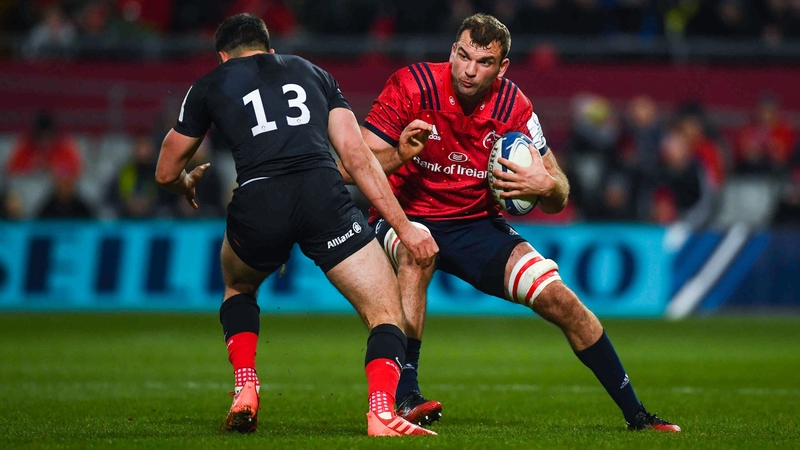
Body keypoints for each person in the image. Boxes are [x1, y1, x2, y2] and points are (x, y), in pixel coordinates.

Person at [340, 13, 681, 432]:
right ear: (452, 50)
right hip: (404, 216)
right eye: (463, 55)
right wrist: (400, 156)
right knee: (418, 251)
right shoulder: (413, 85)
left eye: (483, 62)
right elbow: (350, 167)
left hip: (475, 225)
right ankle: (407, 394)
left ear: (501, 68)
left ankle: (637, 415)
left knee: (563, 301)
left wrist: (545, 184)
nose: (468, 69)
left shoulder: (514, 106)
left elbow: (557, 194)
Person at [155, 13, 439, 437]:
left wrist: (184, 182)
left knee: (239, 286)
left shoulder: (209, 85)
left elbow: (163, 172)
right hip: (322, 195)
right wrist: (405, 227)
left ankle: (246, 387)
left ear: (222, 57)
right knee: (385, 313)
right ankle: (381, 413)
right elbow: (356, 158)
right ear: (270, 49)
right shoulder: (313, 72)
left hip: (259, 199)